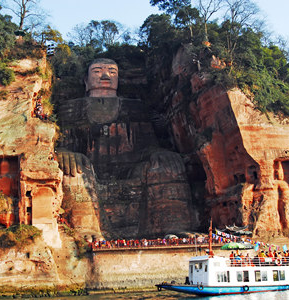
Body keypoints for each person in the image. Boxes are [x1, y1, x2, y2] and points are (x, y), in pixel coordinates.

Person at [56, 58, 193, 239]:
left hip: (130, 169)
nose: (105, 75)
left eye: (112, 72)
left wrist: (159, 153)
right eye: (97, 71)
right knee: (73, 170)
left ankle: (172, 227)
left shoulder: (135, 106)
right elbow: (60, 143)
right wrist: (64, 153)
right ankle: (87, 231)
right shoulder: (70, 108)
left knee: (165, 165)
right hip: (88, 167)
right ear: (86, 80)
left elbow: (148, 146)